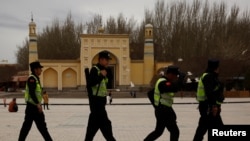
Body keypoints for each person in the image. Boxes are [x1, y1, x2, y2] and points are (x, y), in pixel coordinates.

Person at [144, 66, 184, 141]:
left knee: (158, 132)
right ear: (171, 74)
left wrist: (157, 106)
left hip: (163, 110)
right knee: (175, 131)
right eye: (176, 76)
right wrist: (181, 79)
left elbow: (150, 93)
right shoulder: (163, 82)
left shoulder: (164, 81)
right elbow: (174, 88)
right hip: (164, 111)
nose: (176, 78)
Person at [85, 51, 116, 141]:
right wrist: (101, 76)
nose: (108, 62)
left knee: (91, 133)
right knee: (107, 130)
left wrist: (107, 73)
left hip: (100, 106)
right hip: (96, 105)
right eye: (107, 60)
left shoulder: (105, 70)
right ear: (101, 60)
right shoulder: (94, 69)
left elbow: (109, 82)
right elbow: (90, 84)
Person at [18, 61, 53, 141]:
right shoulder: (32, 79)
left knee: (42, 128)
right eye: (40, 69)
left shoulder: (36, 79)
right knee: (27, 127)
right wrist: (38, 104)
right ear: (35, 69)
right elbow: (32, 93)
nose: (41, 70)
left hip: (34, 107)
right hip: (32, 107)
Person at [193, 59, 224, 141]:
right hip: (208, 107)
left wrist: (218, 105)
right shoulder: (209, 77)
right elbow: (209, 93)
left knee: (203, 128)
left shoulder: (209, 76)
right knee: (215, 128)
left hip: (207, 106)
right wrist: (214, 106)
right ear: (215, 68)